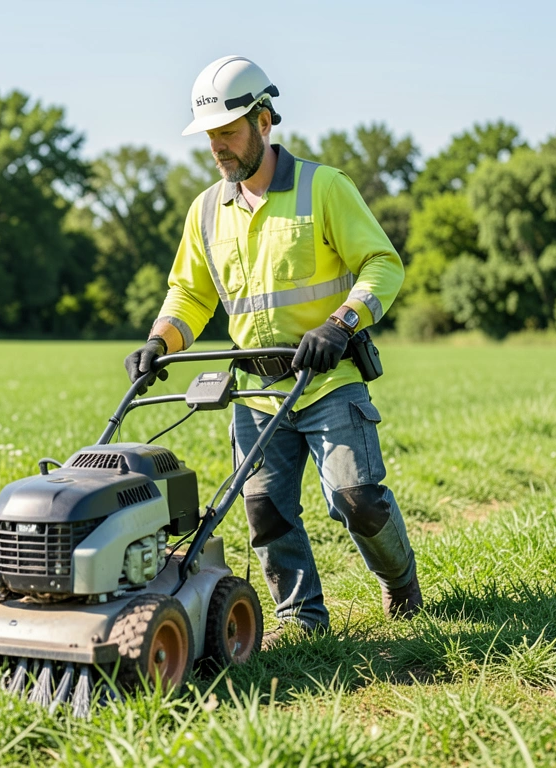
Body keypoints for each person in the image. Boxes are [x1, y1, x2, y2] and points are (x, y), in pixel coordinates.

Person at [124, 55, 422, 641]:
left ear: (264, 121)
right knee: (265, 514)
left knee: (357, 499)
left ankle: (401, 580)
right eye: (211, 138)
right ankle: (301, 620)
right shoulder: (207, 210)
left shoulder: (324, 188)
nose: (219, 149)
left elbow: (382, 264)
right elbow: (189, 294)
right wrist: (159, 341)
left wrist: (341, 323)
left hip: (328, 379)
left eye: (229, 133)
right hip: (255, 392)